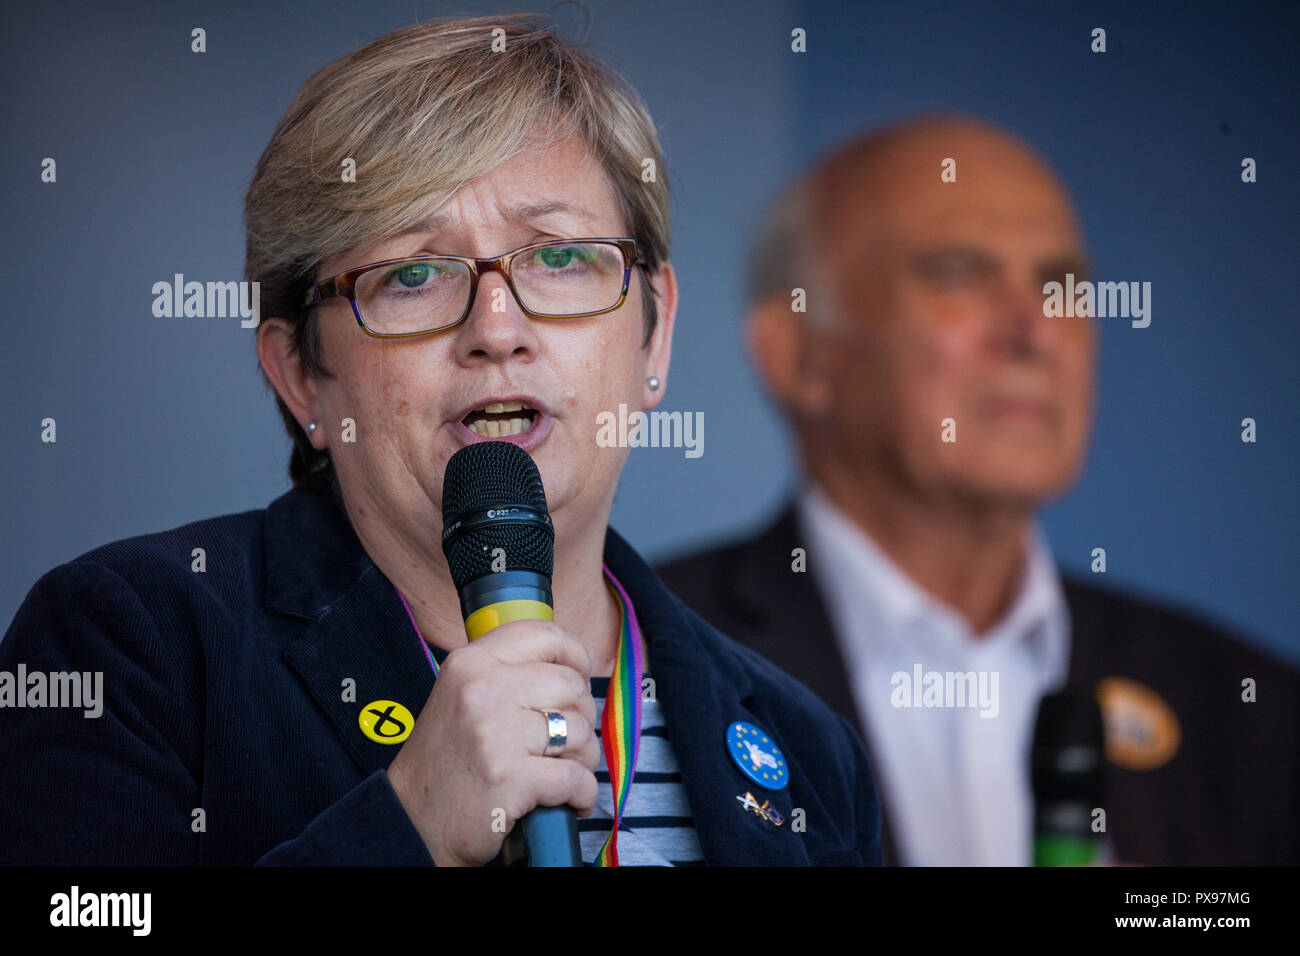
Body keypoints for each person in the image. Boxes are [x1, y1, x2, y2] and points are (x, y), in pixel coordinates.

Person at [0, 14, 880, 867]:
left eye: (560, 259)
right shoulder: (131, 645)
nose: (497, 328)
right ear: (301, 372)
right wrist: (404, 832)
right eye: (413, 275)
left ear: (654, 336)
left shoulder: (807, 750)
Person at [657, 115, 1300, 866]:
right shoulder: (654, 666)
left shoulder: (1249, 709)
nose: (1035, 329)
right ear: (800, 353)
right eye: (959, 273)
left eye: (1061, 286)